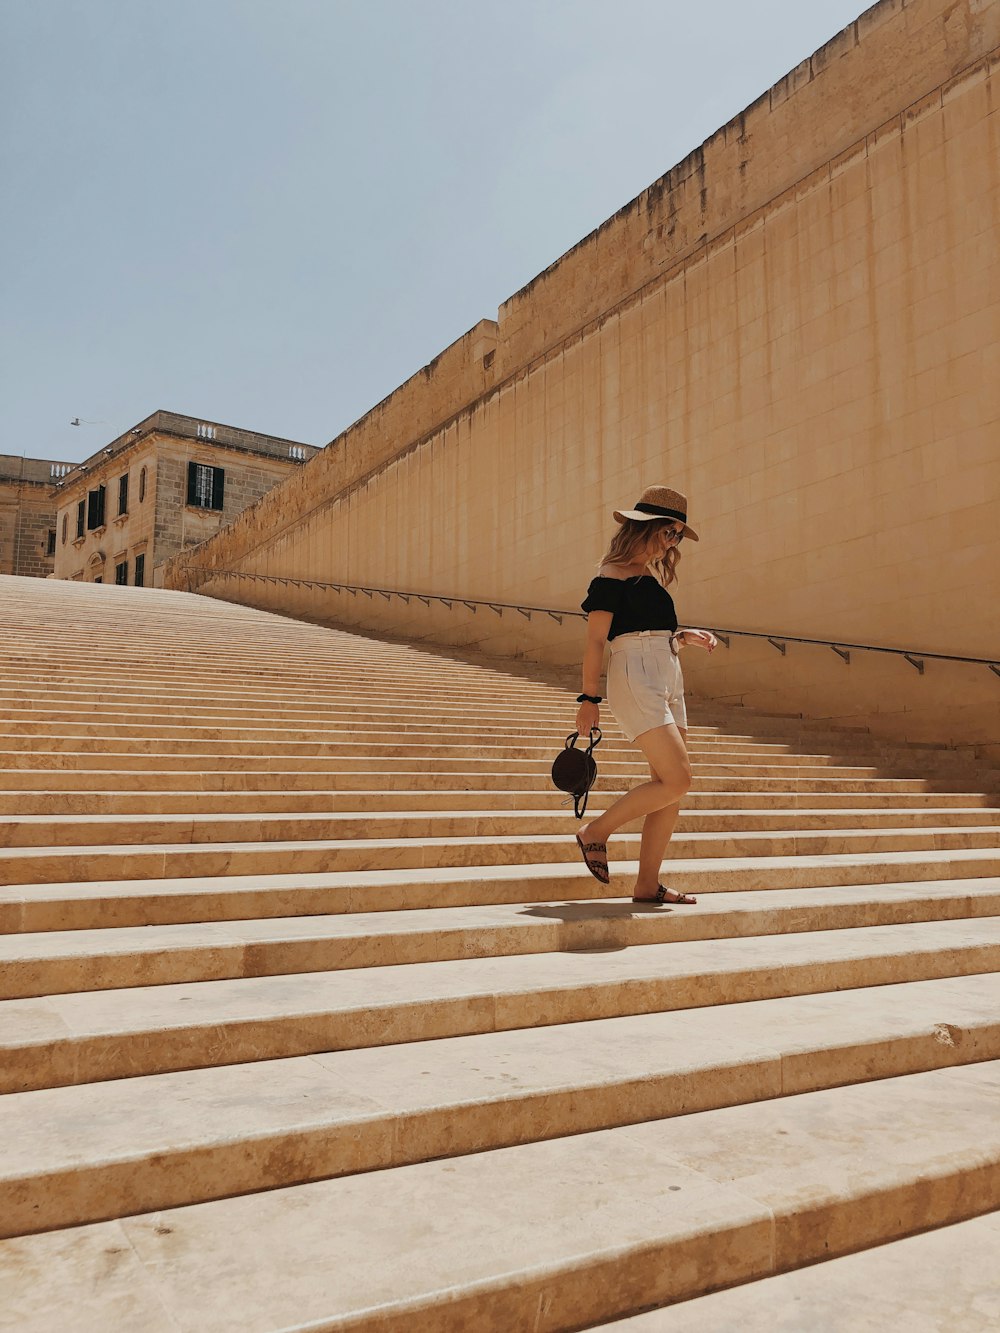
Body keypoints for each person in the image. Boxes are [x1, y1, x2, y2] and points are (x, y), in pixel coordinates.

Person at [574, 485, 717, 904]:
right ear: (646, 527)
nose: (672, 542)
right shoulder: (611, 575)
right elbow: (596, 641)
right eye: (669, 532)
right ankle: (595, 832)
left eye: (678, 535)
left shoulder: (650, 577)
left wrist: (682, 636)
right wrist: (588, 699)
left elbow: (651, 628)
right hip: (635, 674)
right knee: (679, 779)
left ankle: (647, 883)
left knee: (667, 785)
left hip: (669, 671)